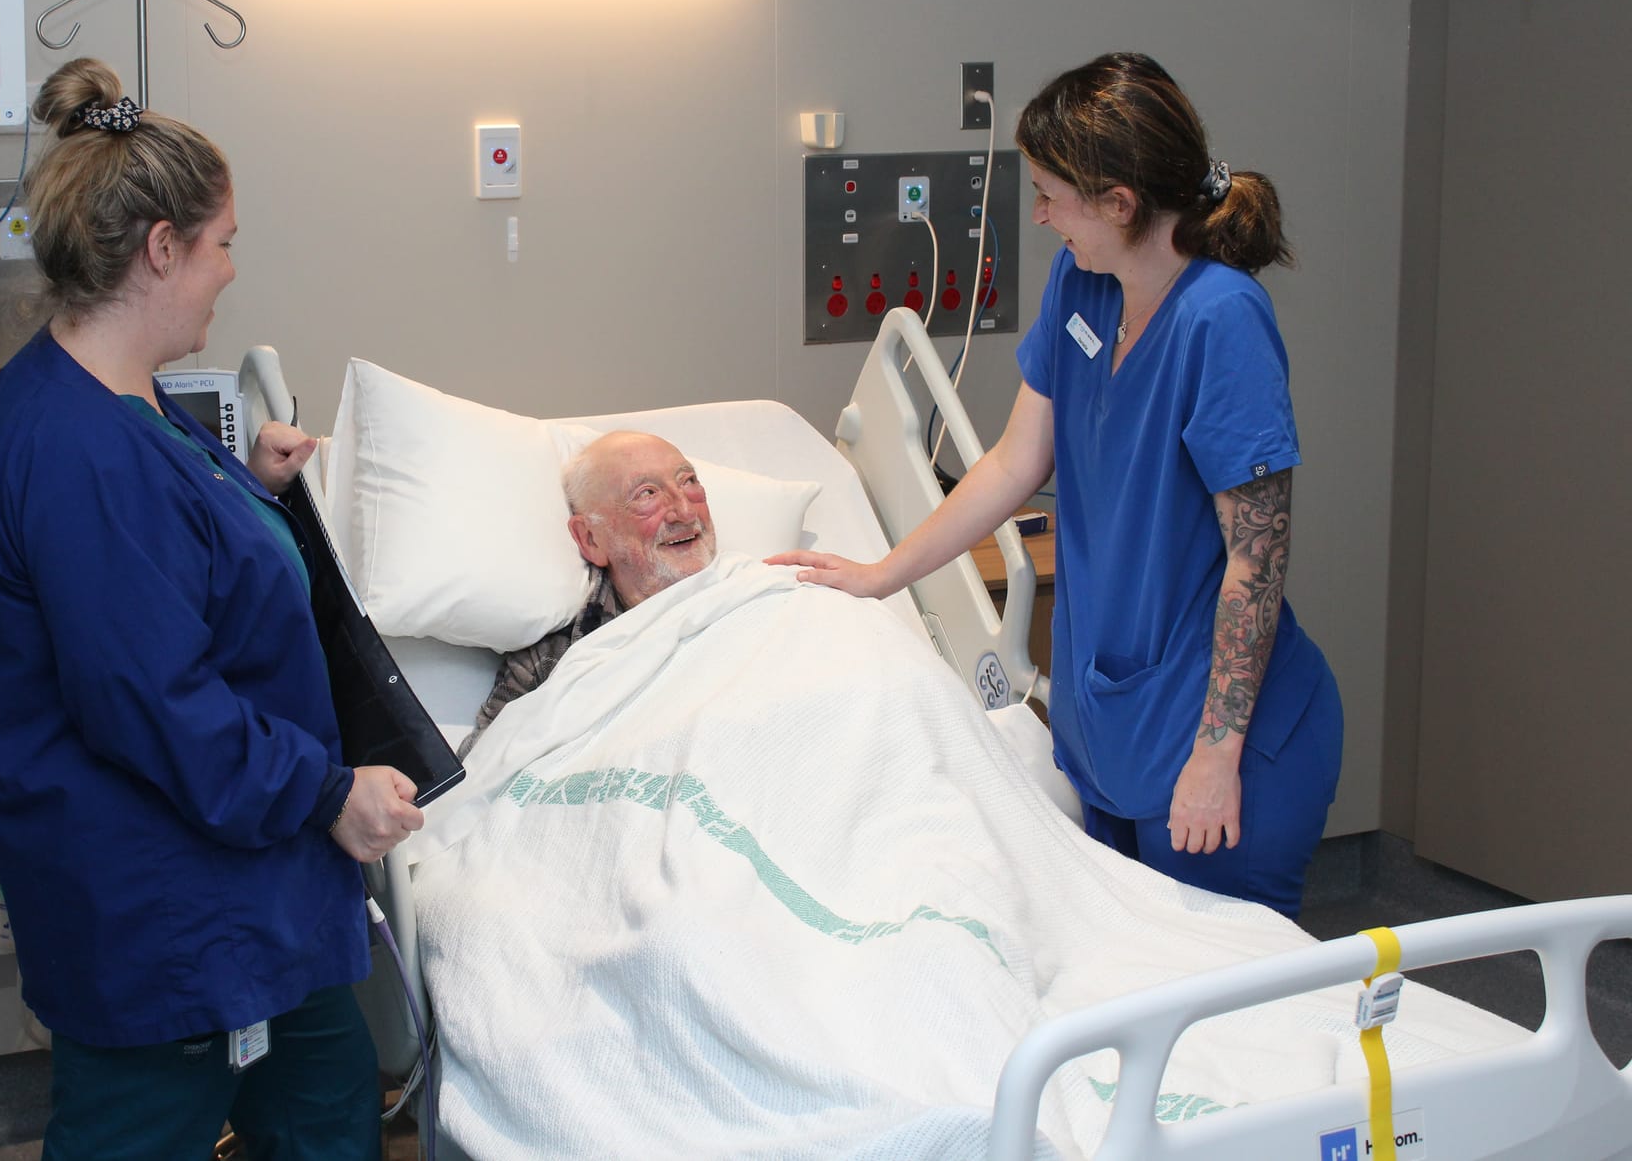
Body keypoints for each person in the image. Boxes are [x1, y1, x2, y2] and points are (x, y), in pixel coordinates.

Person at [0, 58, 423, 1161]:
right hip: (170, 910)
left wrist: (247, 488)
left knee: (327, 1104)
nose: (230, 269)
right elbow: (152, 703)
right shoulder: (80, 450)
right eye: (221, 242)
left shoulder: (109, 394)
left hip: (246, 886)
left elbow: (162, 565)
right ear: (160, 248)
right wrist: (328, 793)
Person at [772, 52, 1341, 918]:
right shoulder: (1085, 284)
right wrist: (881, 575)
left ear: (1119, 203)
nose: (1038, 215)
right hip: (1115, 724)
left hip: (1220, 742)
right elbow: (1013, 461)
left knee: (1219, 982)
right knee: (1123, 968)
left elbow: (1255, 561)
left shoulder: (1221, 320)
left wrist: (1216, 755)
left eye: (1049, 195)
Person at [468, 430, 718, 743]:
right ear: (590, 539)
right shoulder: (553, 661)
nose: (685, 511)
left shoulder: (765, 589)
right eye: (647, 493)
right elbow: (488, 762)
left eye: (688, 481)